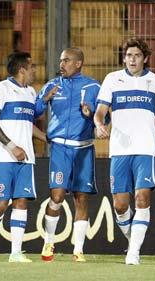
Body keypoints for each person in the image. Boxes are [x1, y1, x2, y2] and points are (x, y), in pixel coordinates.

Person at [94, 38, 155, 265]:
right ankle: (134, 241)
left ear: (145, 58)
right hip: (119, 150)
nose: (132, 59)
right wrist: (99, 124)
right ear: (124, 58)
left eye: (137, 55)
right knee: (120, 205)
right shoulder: (112, 79)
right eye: (129, 55)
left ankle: (133, 253)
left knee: (142, 198)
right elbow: (100, 111)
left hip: (146, 149)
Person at [36, 47, 100, 262]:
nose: (61, 64)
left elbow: (104, 119)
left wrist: (90, 115)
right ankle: (48, 242)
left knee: (81, 198)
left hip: (84, 148)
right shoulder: (52, 85)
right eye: (61, 60)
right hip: (60, 148)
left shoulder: (93, 86)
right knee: (57, 196)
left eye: (66, 60)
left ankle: (78, 250)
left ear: (78, 63)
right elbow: (34, 111)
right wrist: (44, 99)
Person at [0, 52, 45, 262]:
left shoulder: (31, 93)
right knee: (1, 204)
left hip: (25, 159)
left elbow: (27, 124)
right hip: (2, 157)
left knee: (21, 202)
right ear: (22, 69)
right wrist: (12, 147)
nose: (35, 70)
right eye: (32, 66)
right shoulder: (1, 89)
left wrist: (45, 138)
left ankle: (16, 253)